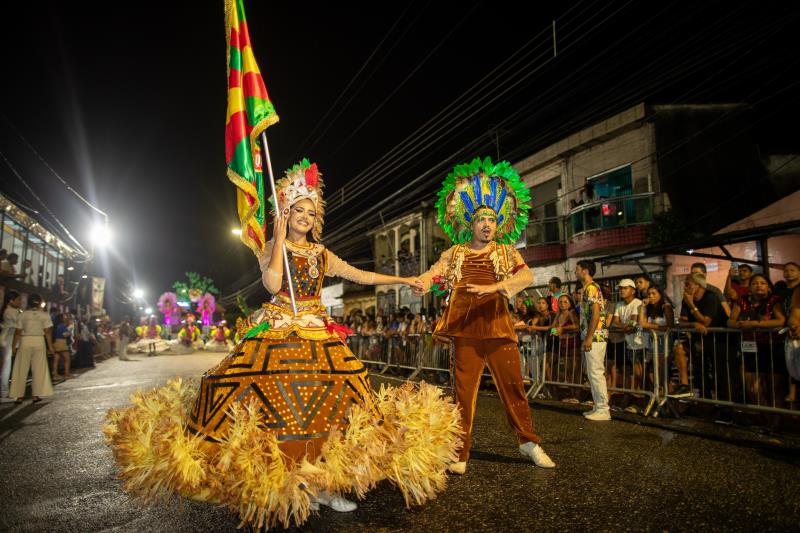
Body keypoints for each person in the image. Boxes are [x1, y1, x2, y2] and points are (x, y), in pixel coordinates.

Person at [104, 159, 461, 528]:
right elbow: (274, 285)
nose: (305, 216)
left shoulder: (323, 254)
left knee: (333, 413)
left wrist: (404, 281)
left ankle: (328, 483)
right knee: (278, 415)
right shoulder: (271, 247)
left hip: (318, 334)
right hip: (278, 333)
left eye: (311, 211)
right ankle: (282, 482)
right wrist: (276, 239)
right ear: (286, 212)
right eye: (297, 210)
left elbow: (361, 274)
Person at [415, 157, 555, 473]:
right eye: (482, 220)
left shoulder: (506, 251)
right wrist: (420, 284)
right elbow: (434, 275)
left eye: (492, 219)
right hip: (465, 331)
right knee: (463, 393)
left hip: (498, 327)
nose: (488, 225)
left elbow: (526, 277)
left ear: (499, 222)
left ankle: (528, 442)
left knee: (514, 387)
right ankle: (460, 452)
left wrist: (497, 288)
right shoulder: (455, 253)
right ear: (471, 223)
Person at [727, 274, 786, 407]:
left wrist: (754, 324)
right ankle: (767, 418)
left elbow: (781, 320)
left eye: (762, 283)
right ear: (750, 288)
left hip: (773, 347)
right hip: (750, 348)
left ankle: (775, 423)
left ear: (769, 288)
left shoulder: (774, 300)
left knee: (774, 388)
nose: (758, 285)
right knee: (753, 388)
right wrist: (740, 325)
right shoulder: (742, 301)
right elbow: (730, 321)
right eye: (755, 283)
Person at [674, 273, 727, 397]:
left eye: (688, 284)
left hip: (718, 340)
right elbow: (681, 322)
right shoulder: (687, 299)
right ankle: (691, 389)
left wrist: (692, 305)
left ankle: (723, 402)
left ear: (698, 285)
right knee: (683, 352)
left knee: (718, 372)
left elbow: (706, 321)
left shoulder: (711, 297)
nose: (685, 287)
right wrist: (693, 324)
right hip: (699, 340)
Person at [575, 259, 611, 421]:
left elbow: (596, 314)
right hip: (592, 336)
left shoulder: (591, 288)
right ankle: (598, 406)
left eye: (577, 269)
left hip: (595, 337)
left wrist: (589, 337)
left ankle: (603, 409)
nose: (575, 272)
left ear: (585, 271)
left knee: (596, 372)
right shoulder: (588, 288)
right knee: (592, 372)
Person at [9, 293, 54, 403]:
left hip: (25, 341)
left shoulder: (22, 315)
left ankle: (19, 396)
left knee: (21, 368)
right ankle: (35, 395)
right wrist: (51, 347)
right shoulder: (45, 315)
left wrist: (14, 346)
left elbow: (18, 332)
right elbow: (47, 332)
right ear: (39, 303)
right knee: (39, 369)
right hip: (39, 341)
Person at [611, 279, 644, 393]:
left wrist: (624, 326)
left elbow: (634, 322)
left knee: (639, 372)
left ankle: (639, 396)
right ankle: (631, 395)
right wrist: (626, 326)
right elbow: (615, 322)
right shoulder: (619, 304)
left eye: (625, 288)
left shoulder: (637, 303)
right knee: (629, 371)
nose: (622, 291)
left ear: (633, 290)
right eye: (620, 288)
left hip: (639, 343)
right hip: (627, 342)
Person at [1, 291, 23, 401]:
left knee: (7, 365)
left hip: (10, 339)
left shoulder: (13, 311)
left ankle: (6, 391)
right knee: (6, 366)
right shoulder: (10, 311)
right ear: (11, 300)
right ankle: (4, 392)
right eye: (18, 300)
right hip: (8, 340)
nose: (21, 302)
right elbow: (20, 324)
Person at [51, 313, 74, 379]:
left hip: (56, 342)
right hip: (62, 342)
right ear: (61, 319)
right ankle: (67, 374)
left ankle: (55, 375)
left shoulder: (56, 326)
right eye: (64, 317)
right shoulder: (62, 326)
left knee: (56, 359)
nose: (65, 318)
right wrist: (70, 331)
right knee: (67, 359)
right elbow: (65, 334)